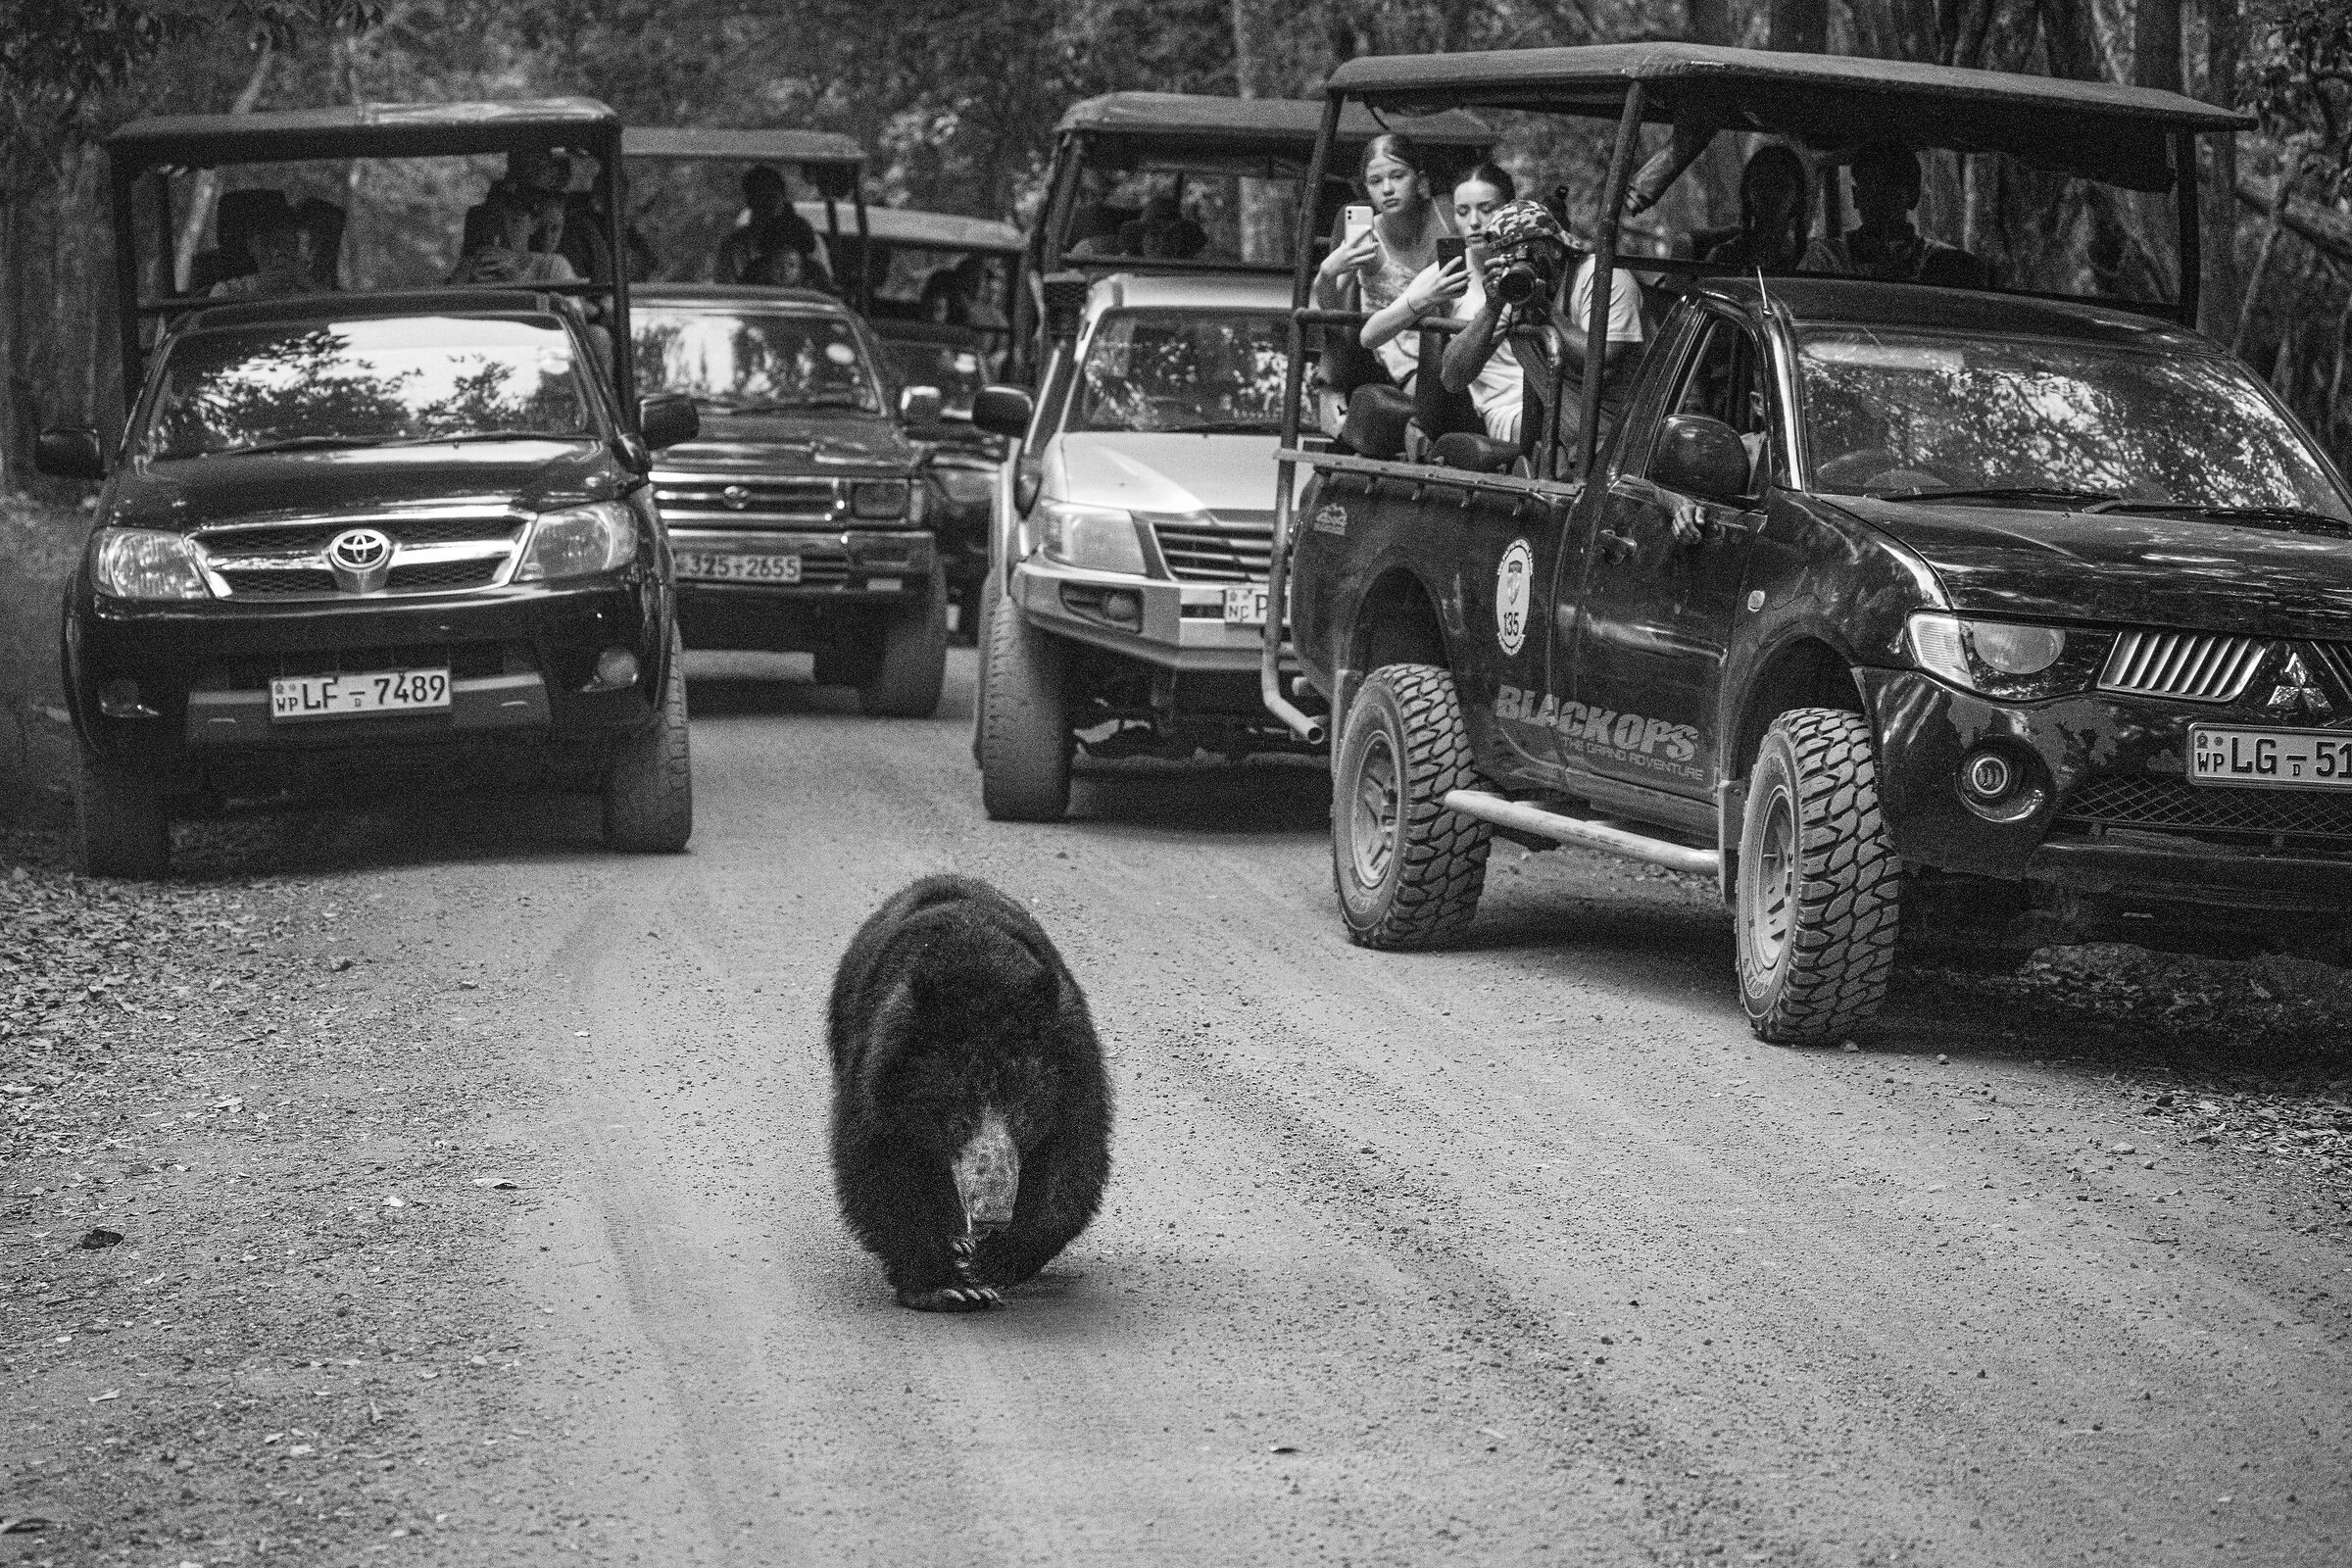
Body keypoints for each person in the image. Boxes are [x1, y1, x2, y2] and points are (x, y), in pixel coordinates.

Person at [1442, 199, 1646, 461]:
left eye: (1527, 255)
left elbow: (1602, 363)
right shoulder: (1516, 291)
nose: (1520, 265)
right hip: (1579, 445)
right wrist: (1492, 309)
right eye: (1508, 257)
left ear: (1556, 249)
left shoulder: (1603, 278)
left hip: (1631, 439)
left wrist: (1547, 312)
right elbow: (1453, 377)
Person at [1312, 134, 1458, 392]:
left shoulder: (1448, 213)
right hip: (1399, 352)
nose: (1387, 189)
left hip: (1458, 337)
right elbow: (1332, 311)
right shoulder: (1365, 235)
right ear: (1366, 188)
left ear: (1421, 181)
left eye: (1398, 176)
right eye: (1375, 181)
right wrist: (1326, 273)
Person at [1806, 141, 1990, 287]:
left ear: (1913, 196)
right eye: (1870, 187)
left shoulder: (1949, 264)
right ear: (1857, 196)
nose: (1879, 199)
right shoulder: (1825, 258)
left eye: (1890, 188)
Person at [1703, 145, 1810, 274]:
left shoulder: (1808, 261)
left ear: (1797, 196)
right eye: (1761, 185)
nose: (1771, 195)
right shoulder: (1723, 256)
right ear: (1747, 194)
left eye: (1781, 186)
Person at [447, 183, 578, 285]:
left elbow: (572, 314)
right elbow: (446, 307)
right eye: (499, 221)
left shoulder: (552, 266)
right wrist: (468, 276)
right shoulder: (471, 264)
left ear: (533, 225)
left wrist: (515, 282)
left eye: (516, 221)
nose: (506, 229)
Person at [714, 166, 822, 284]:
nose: (767, 203)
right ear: (749, 201)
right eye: (759, 195)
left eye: (772, 195)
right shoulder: (733, 247)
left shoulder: (808, 240)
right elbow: (728, 293)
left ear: (783, 197)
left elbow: (825, 293)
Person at [207, 201, 316, 299]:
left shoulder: (322, 291)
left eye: (287, 243)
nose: (277, 252)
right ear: (251, 245)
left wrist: (305, 285)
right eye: (267, 242)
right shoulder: (228, 291)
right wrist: (260, 290)